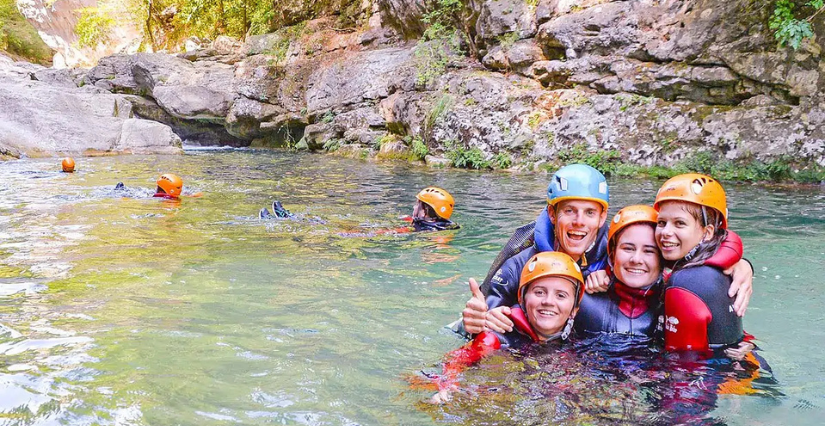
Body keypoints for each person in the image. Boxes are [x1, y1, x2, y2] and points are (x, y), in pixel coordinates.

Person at [461, 164, 754, 337]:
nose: (579, 222)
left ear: (603, 218)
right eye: (569, 211)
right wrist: (475, 322)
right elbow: (480, 312)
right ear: (552, 214)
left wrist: (739, 263)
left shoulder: (616, 249)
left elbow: (688, 244)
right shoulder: (521, 255)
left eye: (589, 213)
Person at [431, 251, 584, 403]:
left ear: (574, 310)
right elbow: (457, 361)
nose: (549, 301)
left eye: (561, 295)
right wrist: (448, 385)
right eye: (539, 292)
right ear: (522, 299)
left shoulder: (581, 339)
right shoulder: (498, 336)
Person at [653, 173, 745, 356]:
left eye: (679, 223)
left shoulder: (685, 282)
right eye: (662, 222)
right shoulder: (716, 270)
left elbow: (684, 366)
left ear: (707, 232)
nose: (666, 232)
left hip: (716, 381)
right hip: (741, 371)